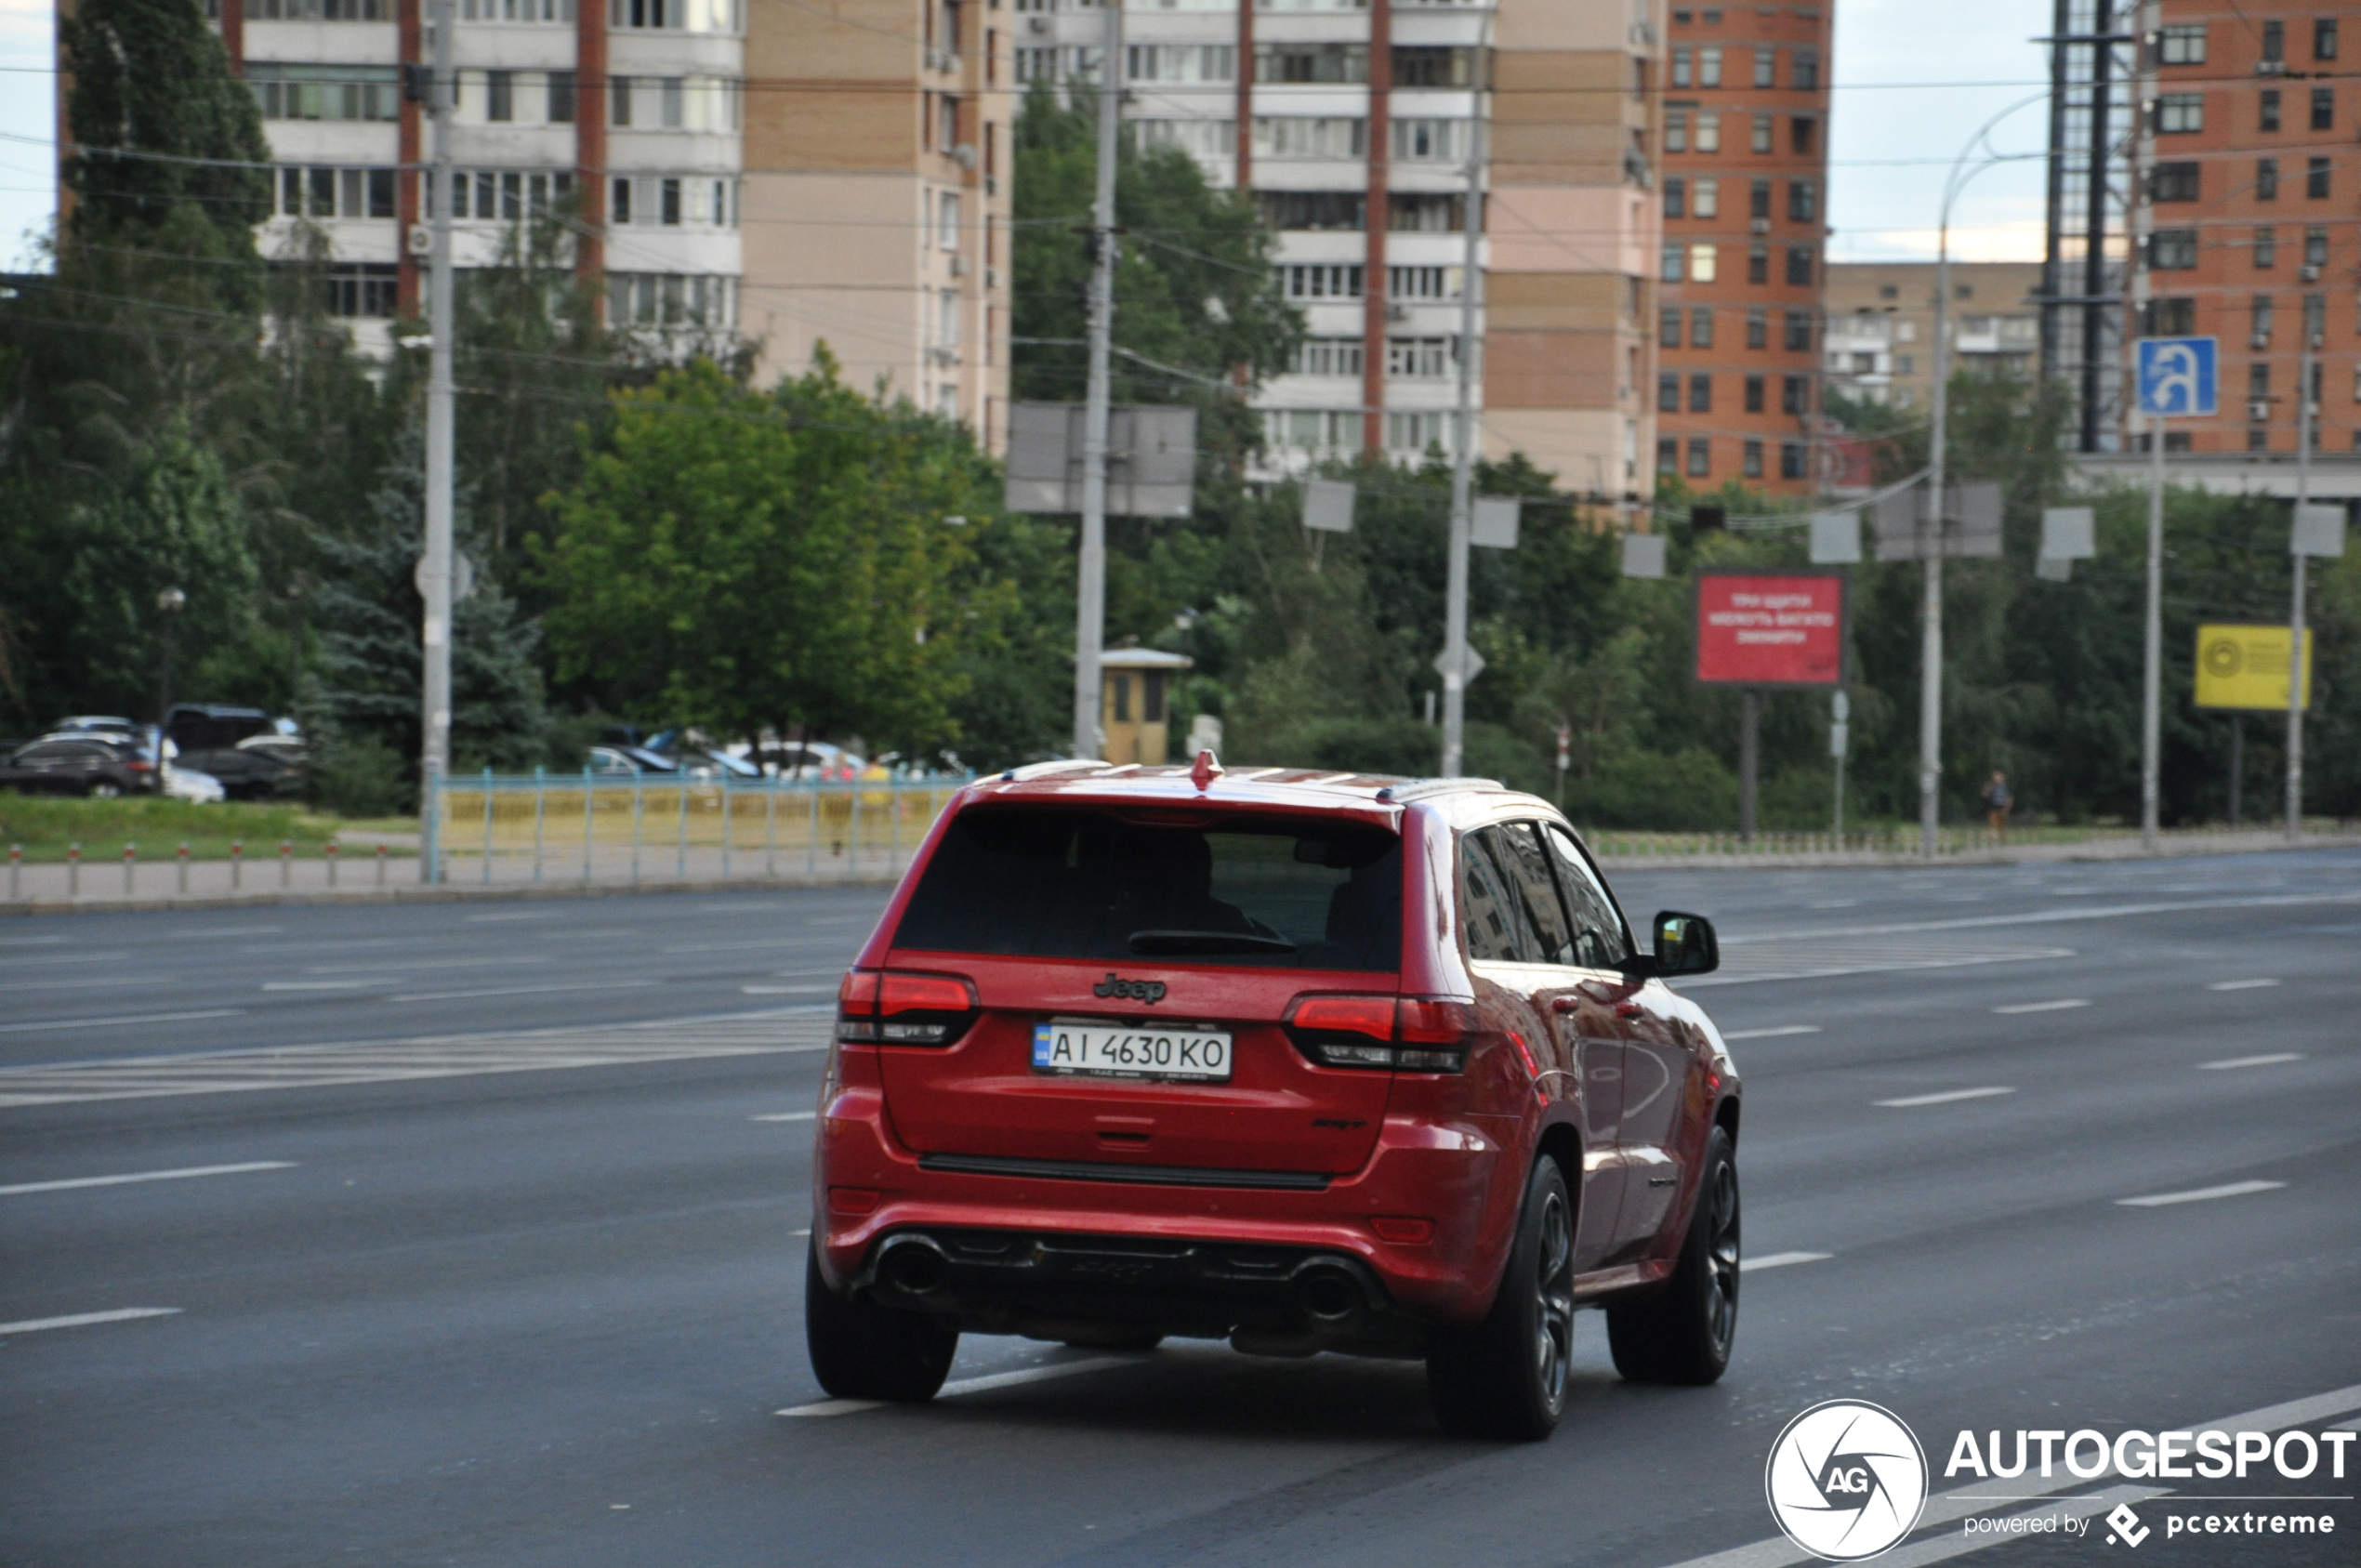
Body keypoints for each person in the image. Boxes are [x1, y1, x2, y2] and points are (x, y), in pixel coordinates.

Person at [1981, 770, 2012, 840]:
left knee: (2002, 824)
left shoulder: (2005, 787)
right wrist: (1986, 790)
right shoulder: (1991, 787)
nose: (1998, 779)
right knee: (1993, 824)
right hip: (1993, 808)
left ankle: (2002, 838)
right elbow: (1984, 796)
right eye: (1996, 777)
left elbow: (2009, 797)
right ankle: (1994, 838)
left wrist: (2008, 806)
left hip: (2002, 808)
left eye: (1999, 777)